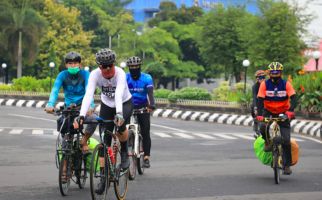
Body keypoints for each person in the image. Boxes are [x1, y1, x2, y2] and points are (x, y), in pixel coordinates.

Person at [73, 48, 133, 194]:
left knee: (120, 127)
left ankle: (124, 152)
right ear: (99, 67)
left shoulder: (120, 73)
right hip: (106, 104)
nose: (107, 69)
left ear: (114, 64)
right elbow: (88, 95)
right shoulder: (95, 75)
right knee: (104, 143)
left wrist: (119, 114)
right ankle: (103, 178)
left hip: (124, 103)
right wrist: (81, 116)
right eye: (103, 67)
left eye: (110, 66)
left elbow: (118, 94)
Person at [45, 51, 97, 154]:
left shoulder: (85, 74)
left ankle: (84, 141)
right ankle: (64, 166)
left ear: (79, 64)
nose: (73, 65)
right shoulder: (62, 75)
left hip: (83, 108)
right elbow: (55, 90)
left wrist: (90, 106)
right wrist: (50, 104)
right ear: (66, 65)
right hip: (68, 109)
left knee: (94, 119)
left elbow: (89, 90)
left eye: (75, 63)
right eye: (70, 63)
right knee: (65, 142)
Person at [256, 62, 297, 175]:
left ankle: (287, 165)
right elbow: (259, 100)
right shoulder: (264, 84)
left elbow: (294, 98)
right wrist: (259, 114)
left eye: (277, 72)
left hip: (283, 112)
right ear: (269, 73)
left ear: (280, 73)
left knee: (286, 141)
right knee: (263, 126)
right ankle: (267, 142)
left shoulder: (286, 84)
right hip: (268, 111)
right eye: (272, 72)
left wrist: (290, 111)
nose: (274, 74)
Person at [126, 56, 156, 168]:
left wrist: (152, 105)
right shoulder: (125, 78)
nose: (134, 68)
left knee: (145, 131)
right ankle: (126, 148)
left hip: (143, 106)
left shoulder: (146, 78)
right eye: (131, 67)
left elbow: (150, 94)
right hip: (128, 105)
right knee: (123, 128)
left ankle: (147, 157)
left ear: (139, 67)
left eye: (136, 66)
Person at [251, 70, 266, 138]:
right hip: (258, 103)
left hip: (267, 103)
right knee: (253, 107)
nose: (262, 79)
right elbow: (254, 97)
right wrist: (255, 108)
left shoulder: (268, 84)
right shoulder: (255, 86)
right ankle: (256, 125)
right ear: (256, 78)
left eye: (263, 77)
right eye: (260, 77)